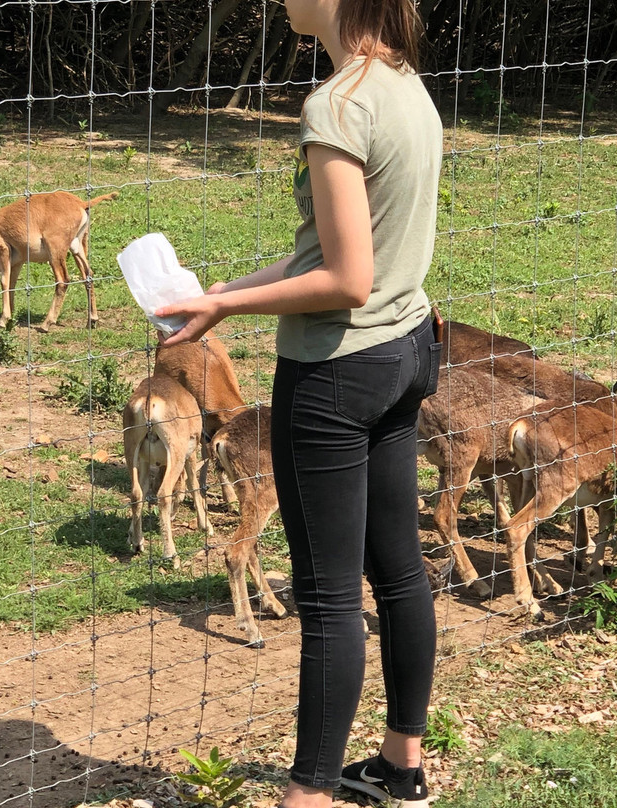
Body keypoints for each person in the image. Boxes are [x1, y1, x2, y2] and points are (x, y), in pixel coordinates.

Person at [156, 1, 443, 805]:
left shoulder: (337, 105)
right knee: (398, 572)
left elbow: (344, 280)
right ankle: (401, 765)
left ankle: (308, 796)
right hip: (407, 347)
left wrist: (230, 314)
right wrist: (225, 292)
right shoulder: (401, 81)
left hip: (338, 370)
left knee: (324, 599)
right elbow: (335, 245)